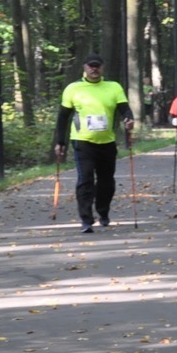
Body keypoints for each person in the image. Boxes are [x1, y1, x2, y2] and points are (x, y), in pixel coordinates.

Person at [53, 54, 134, 233]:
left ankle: (103, 212)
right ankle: (86, 220)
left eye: (97, 66)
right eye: (91, 66)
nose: (94, 69)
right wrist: (60, 142)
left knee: (107, 182)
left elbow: (125, 110)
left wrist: (129, 119)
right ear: (84, 68)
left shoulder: (113, 87)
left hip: (107, 142)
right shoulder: (73, 89)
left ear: (102, 68)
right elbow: (63, 117)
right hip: (82, 141)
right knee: (85, 179)